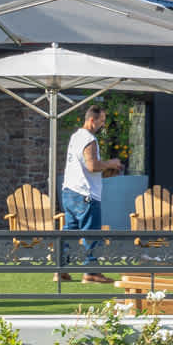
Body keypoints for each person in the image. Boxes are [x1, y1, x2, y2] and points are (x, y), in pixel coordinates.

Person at [60, 105, 122, 283]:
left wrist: (106, 170)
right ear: (92, 120)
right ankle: (91, 272)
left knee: (70, 233)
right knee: (91, 234)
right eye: (101, 121)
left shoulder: (75, 137)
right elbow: (92, 166)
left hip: (69, 191)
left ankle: (60, 270)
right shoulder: (89, 138)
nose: (103, 125)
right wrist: (112, 163)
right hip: (86, 194)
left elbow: (85, 167)